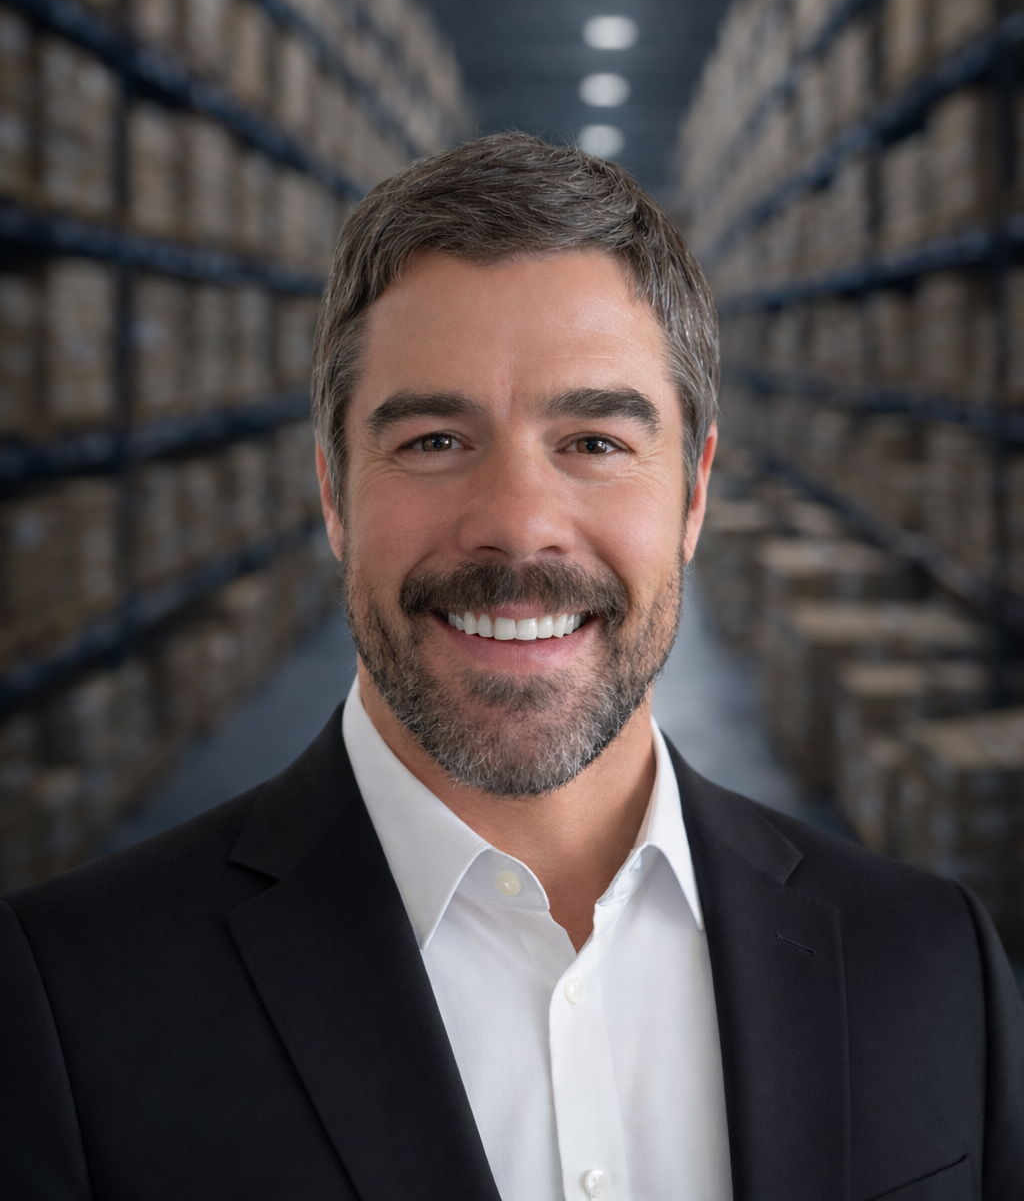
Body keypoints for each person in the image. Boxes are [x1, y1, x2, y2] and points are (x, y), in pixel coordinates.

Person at [1, 134, 1021, 1201]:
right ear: (334, 494)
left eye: (593, 441)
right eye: (436, 440)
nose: (519, 528)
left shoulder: (931, 962)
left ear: (694, 491)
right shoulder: (66, 1002)